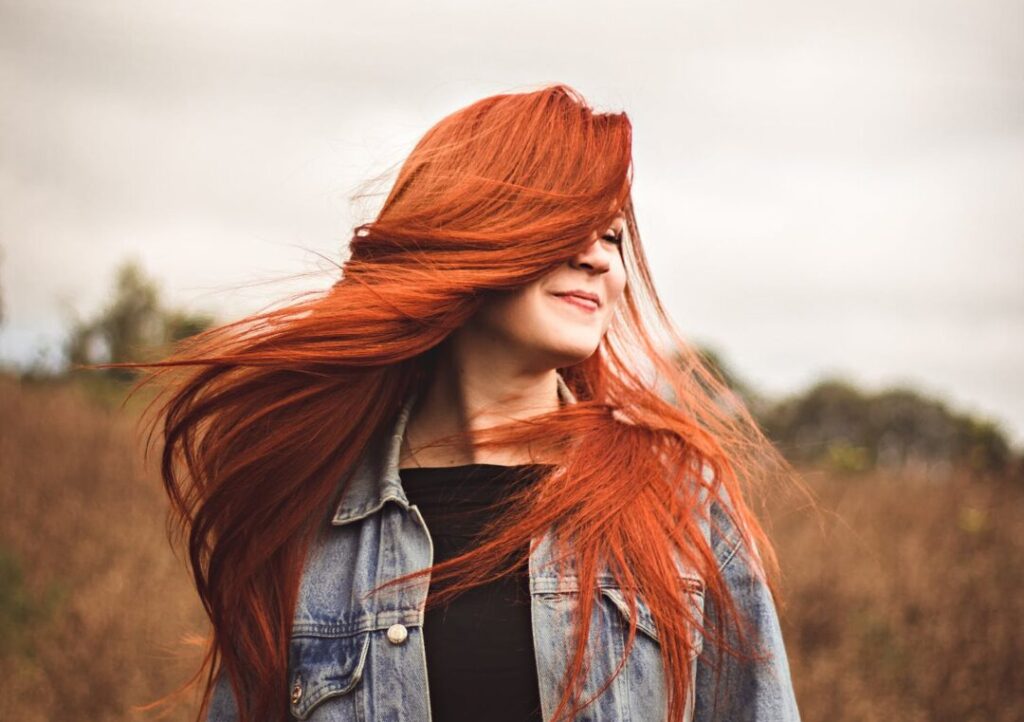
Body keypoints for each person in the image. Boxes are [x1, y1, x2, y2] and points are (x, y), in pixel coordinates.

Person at [126, 84, 802, 722]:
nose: (601, 260)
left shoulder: (677, 492)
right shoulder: (312, 516)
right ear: (473, 230)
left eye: (615, 236)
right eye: (569, 224)